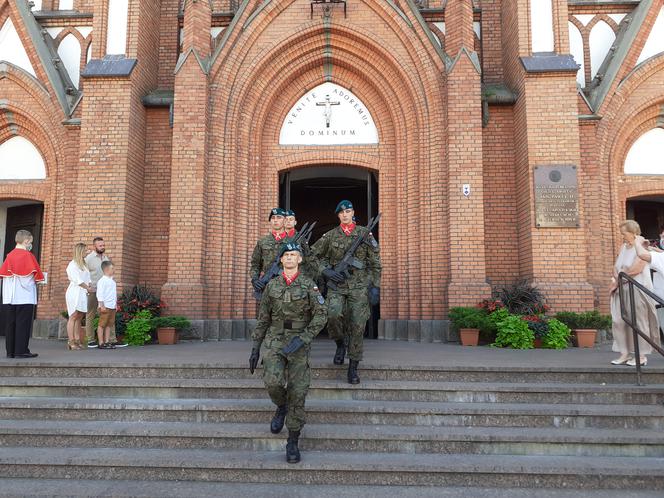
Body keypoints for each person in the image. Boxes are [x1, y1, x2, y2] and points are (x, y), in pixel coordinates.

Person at [249, 242, 327, 463]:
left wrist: (304, 338)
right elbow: (263, 318)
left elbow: (321, 315)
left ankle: (292, 441)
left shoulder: (309, 285)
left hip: (298, 343)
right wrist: (255, 347)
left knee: (298, 391)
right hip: (275, 340)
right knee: (272, 382)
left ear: (300, 259)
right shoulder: (271, 287)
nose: (290, 258)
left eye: (294, 254)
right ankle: (281, 407)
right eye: (286, 255)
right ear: (281, 260)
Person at [311, 200, 381, 384]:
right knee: (333, 315)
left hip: (359, 287)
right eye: (341, 212)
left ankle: (353, 368)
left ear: (353, 213)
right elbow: (311, 256)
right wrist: (326, 271)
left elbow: (375, 263)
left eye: (348, 211)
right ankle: (340, 344)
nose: (345, 215)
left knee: (358, 325)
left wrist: (375, 286)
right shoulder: (330, 236)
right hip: (338, 286)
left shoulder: (364, 234)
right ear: (338, 215)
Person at [608, 221, 660, 367]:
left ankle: (641, 355)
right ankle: (624, 353)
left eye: (624, 233)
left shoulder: (642, 246)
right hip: (621, 289)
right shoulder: (623, 246)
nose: (622, 236)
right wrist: (616, 278)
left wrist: (618, 280)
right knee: (618, 321)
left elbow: (636, 269)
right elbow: (616, 266)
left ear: (633, 233)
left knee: (638, 322)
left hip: (637, 289)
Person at [0, 230, 44, 358]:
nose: (30, 244)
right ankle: (21, 351)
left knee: (11, 324)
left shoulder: (9, 255)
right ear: (26, 241)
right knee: (22, 324)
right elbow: (31, 278)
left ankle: (11, 351)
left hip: (9, 297)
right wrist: (39, 282)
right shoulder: (28, 256)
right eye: (30, 242)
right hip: (24, 296)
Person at [84, 237, 125, 348]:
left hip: (106, 293)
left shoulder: (106, 258)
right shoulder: (89, 258)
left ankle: (112, 339)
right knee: (90, 314)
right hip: (93, 290)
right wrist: (87, 286)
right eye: (100, 245)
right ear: (94, 246)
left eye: (103, 245)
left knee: (109, 315)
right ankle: (90, 339)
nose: (103, 247)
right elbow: (83, 273)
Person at [250, 208, 287, 294]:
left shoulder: (292, 242)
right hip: (267, 287)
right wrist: (255, 279)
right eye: (273, 218)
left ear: (285, 221)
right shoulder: (262, 242)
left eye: (279, 217)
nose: (275, 220)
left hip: (288, 287)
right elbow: (255, 264)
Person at [65, 243, 91, 350]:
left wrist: (89, 285)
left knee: (79, 316)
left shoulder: (84, 264)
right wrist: (87, 287)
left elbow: (87, 278)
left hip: (83, 292)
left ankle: (77, 340)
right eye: (85, 250)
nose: (87, 251)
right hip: (75, 292)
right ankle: (71, 342)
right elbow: (77, 280)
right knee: (73, 316)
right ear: (80, 251)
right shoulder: (73, 264)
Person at [96, 261, 117, 350]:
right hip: (105, 306)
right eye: (112, 268)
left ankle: (107, 341)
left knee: (109, 324)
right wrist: (102, 305)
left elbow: (114, 294)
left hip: (112, 306)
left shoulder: (112, 281)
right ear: (106, 269)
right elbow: (99, 294)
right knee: (102, 324)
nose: (114, 270)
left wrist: (115, 304)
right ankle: (101, 342)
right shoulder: (102, 281)